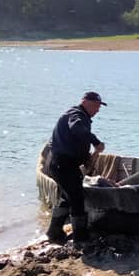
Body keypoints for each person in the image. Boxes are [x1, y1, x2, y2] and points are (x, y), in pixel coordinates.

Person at [46, 91, 107, 245]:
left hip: (64, 164)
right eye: (95, 106)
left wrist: (86, 158)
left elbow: (75, 140)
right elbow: (78, 129)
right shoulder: (76, 115)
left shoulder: (79, 116)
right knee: (77, 198)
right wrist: (96, 142)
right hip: (63, 165)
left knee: (67, 197)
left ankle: (54, 232)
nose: (97, 110)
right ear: (85, 102)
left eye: (99, 107)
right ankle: (80, 238)